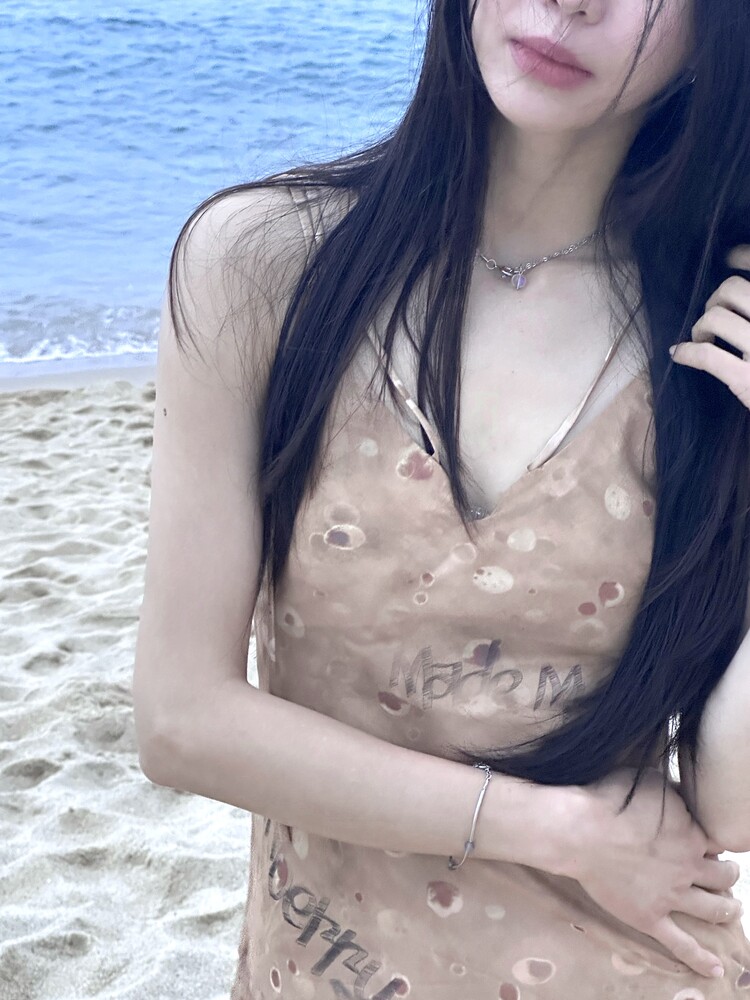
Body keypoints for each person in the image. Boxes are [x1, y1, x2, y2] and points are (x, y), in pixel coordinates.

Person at [133, 0, 750, 996]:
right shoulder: (267, 264)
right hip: (326, 963)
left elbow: (729, 806)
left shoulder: (714, 338)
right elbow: (179, 718)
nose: (576, 1)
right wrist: (553, 830)